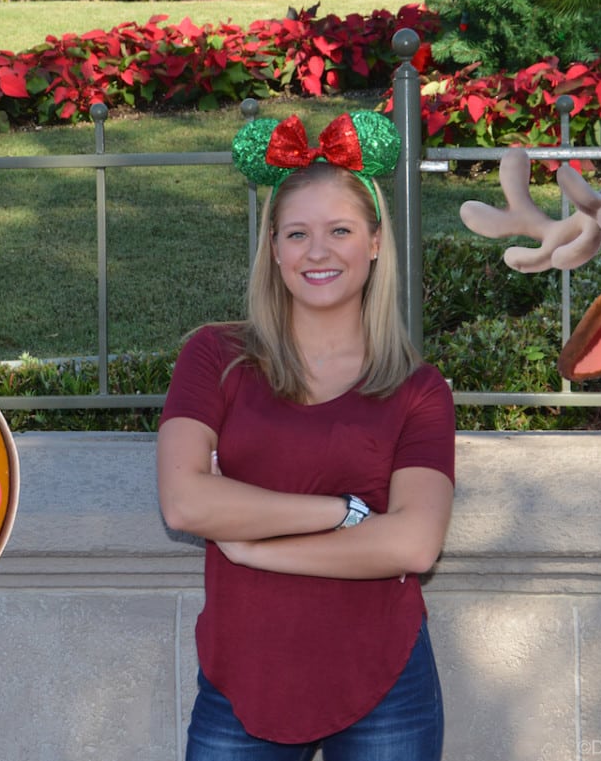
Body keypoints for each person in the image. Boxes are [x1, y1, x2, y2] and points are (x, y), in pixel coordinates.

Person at [156, 110, 456, 761]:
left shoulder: (419, 389)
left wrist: (255, 546)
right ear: (274, 248)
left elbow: (414, 541)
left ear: (375, 242)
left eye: (339, 230)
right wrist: (344, 514)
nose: (317, 251)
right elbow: (185, 502)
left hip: (386, 684)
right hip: (243, 682)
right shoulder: (215, 357)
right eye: (297, 233)